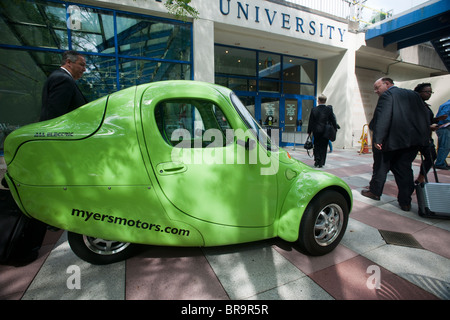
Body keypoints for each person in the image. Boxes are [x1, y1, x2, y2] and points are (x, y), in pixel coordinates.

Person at [361, 77, 430, 211]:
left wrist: (378, 139)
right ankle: (405, 202)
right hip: (411, 142)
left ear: (387, 84)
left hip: (391, 142)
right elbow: (424, 116)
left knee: (381, 167)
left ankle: (375, 192)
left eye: (377, 87)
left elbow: (383, 117)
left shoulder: (388, 95)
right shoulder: (414, 95)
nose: (376, 91)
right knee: (404, 170)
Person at [40, 50, 88, 121]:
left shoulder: (61, 77)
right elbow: (55, 114)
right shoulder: (63, 79)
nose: (84, 69)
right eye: (81, 65)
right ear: (68, 62)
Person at [413, 83, 445, 183]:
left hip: (425, 138)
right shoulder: (414, 105)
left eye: (431, 92)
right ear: (419, 93)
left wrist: (437, 120)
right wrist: (428, 127)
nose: (429, 94)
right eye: (427, 92)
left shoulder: (425, 105)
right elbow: (412, 122)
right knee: (405, 160)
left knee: (431, 156)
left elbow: (428, 120)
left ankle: (421, 178)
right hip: (414, 138)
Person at [307, 94, 337, 168]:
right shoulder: (328, 110)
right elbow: (333, 119)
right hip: (326, 131)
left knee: (316, 145)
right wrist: (335, 128)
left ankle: (317, 159)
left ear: (319, 101)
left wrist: (309, 131)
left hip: (316, 131)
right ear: (325, 101)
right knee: (324, 147)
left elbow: (311, 121)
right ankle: (321, 162)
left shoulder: (314, 109)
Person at [434, 99, 450, 170]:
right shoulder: (448, 105)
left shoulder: (447, 104)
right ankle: (439, 163)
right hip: (444, 127)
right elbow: (443, 116)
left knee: (445, 146)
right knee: (444, 146)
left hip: (444, 128)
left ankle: (442, 162)